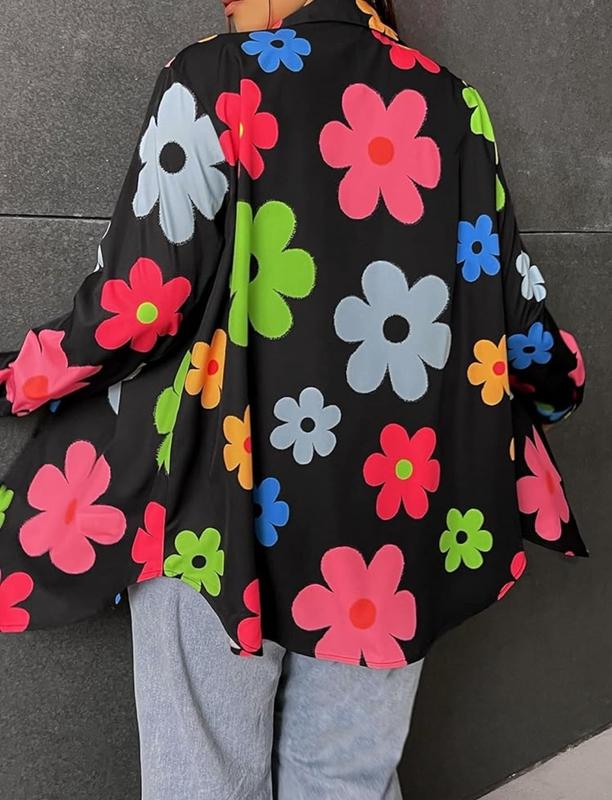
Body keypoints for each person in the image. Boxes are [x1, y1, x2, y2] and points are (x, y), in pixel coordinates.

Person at [0, 0, 588, 797]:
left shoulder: (214, 74)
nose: (226, 4)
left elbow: (139, 303)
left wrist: (22, 377)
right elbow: (514, 316)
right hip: (394, 508)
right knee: (348, 782)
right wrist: (560, 389)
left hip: (219, 501)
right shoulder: (454, 104)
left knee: (202, 781)